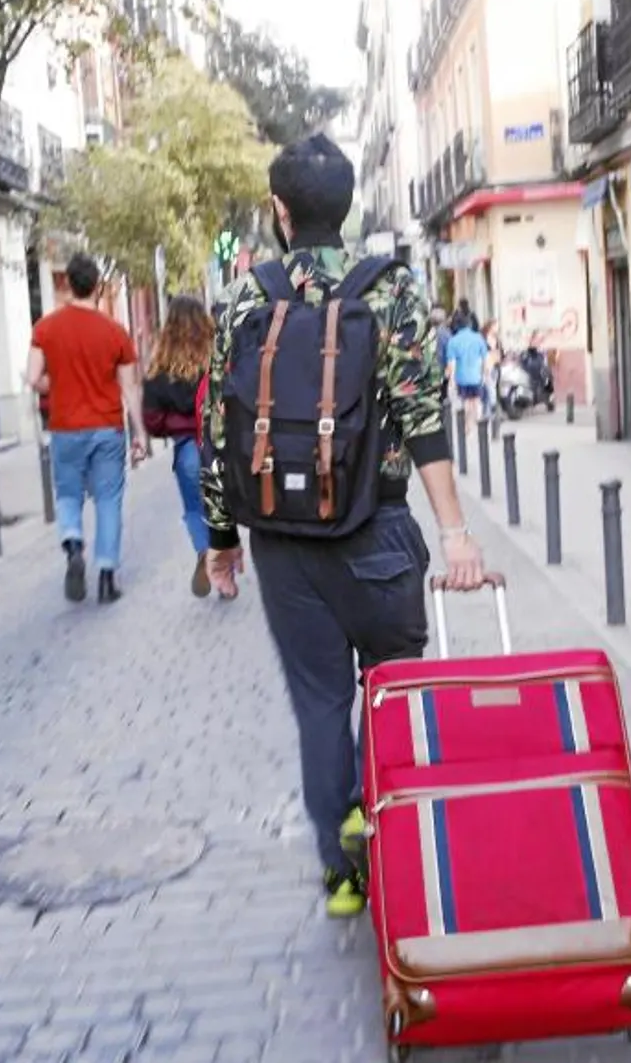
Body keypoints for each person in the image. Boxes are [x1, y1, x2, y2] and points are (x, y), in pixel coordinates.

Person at [199, 133, 485, 919]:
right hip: (380, 531)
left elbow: (219, 434)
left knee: (321, 704)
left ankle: (343, 872)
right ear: (350, 205)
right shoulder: (390, 289)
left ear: (279, 212)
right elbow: (426, 417)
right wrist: (455, 531)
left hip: (285, 547)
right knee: (391, 692)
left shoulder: (248, 298)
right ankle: (398, 840)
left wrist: (222, 541)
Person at [27, 253, 148, 604]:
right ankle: (107, 576)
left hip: (64, 427)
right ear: (96, 286)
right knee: (108, 499)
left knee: (68, 494)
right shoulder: (115, 333)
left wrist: (55, 383)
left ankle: (73, 541)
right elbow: (129, 388)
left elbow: (35, 378)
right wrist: (139, 432)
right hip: (107, 428)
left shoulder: (45, 329)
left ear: (67, 285)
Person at [140, 295, 212, 597]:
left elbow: (152, 419)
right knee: (224, 506)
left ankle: (203, 552)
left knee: (194, 509)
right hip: (220, 444)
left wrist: (176, 424)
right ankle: (226, 568)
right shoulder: (218, 357)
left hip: (187, 450)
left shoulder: (161, 367)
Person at [444, 314, 491, 432]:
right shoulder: (479, 338)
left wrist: (451, 379)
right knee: (476, 400)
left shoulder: (453, 341)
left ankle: (467, 425)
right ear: (470, 325)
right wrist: (486, 374)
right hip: (476, 376)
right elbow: (485, 359)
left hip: (462, 377)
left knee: (465, 401)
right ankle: (479, 423)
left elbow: (451, 363)